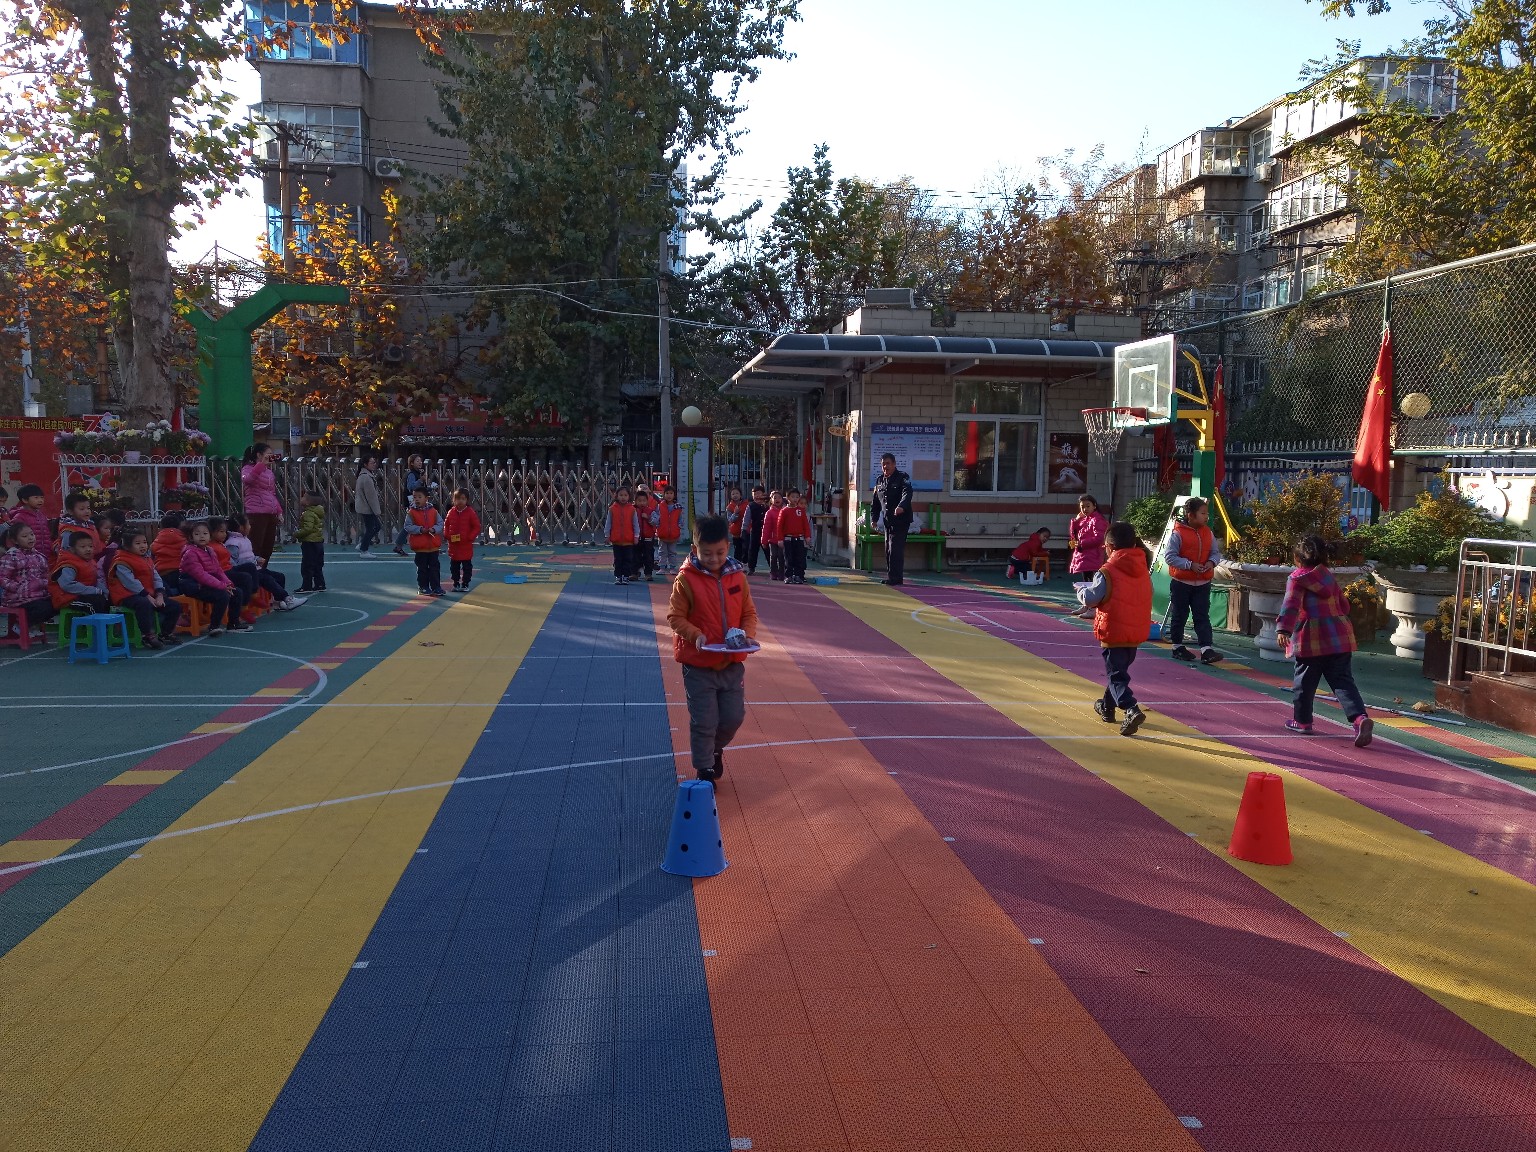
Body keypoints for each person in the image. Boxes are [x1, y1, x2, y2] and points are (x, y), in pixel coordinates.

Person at [667, 515, 759, 782]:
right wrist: (695, 635)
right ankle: (705, 768)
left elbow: (748, 613)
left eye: (720, 552)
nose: (714, 559)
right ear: (694, 549)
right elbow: (675, 617)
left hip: (731, 663)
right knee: (704, 721)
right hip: (698, 664)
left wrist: (747, 635)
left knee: (733, 718)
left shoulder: (737, 577)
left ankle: (715, 749)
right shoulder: (685, 580)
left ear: (728, 547)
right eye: (706, 553)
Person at [1275, 535, 1374, 747]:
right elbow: (1344, 606)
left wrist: (1283, 629)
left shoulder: (1296, 578)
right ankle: (1359, 718)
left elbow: (1291, 605)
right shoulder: (1327, 575)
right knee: (1342, 681)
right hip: (1339, 635)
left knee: (1304, 683)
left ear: (1297, 558)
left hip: (1311, 638)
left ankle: (1302, 721)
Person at [1074, 521, 1153, 737]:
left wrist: (1080, 591)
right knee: (1118, 672)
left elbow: (1092, 598)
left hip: (1114, 630)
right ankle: (1106, 707)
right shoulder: (1142, 569)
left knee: (1116, 676)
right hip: (1135, 631)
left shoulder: (1106, 571)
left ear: (1109, 547)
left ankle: (1131, 708)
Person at [1165, 496, 1225, 665]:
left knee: (1202, 616)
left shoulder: (1208, 533)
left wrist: (1211, 562)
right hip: (1181, 583)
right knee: (1180, 615)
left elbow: (1215, 553)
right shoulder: (1177, 534)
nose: (1207, 517)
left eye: (1207, 513)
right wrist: (1189, 565)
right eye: (1203, 513)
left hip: (1202, 584)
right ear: (1191, 515)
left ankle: (1206, 649)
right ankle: (1177, 647)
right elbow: (1169, 557)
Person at [108, 530, 184, 649]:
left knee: (175, 606)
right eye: (137, 543)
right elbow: (130, 583)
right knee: (144, 604)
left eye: (144, 542)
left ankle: (166, 633)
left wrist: (159, 594)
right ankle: (147, 636)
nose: (143, 546)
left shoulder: (146, 558)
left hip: (147, 593)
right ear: (127, 546)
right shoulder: (121, 561)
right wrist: (147, 596)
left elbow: (156, 577)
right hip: (127, 595)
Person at [179, 520, 246, 636]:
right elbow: (201, 575)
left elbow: (218, 570)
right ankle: (214, 626)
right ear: (191, 537)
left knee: (237, 592)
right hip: (193, 586)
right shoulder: (190, 553)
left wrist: (228, 583)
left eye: (205, 533)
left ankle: (233, 624)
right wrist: (222, 586)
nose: (201, 536)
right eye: (197, 534)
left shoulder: (210, 550)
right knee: (222, 595)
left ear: (210, 536)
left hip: (206, 584)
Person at [227, 512, 304, 610]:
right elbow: (233, 563)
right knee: (267, 579)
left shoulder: (245, 539)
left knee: (280, 576)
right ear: (241, 527)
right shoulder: (233, 543)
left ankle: (278, 602)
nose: (250, 527)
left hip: (256, 569)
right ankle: (288, 599)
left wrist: (256, 559)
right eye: (248, 524)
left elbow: (248, 556)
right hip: (248, 573)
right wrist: (254, 562)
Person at [1, 523, 54, 640]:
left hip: (39, 595)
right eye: (24, 536)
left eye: (31, 534)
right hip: (18, 598)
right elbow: (2, 578)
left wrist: (46, 585)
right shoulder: (11, 556)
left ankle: (30, 626)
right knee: (42, 608)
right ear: (15, 540)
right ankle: (20, 626)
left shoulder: (39, 556)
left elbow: (45, 575)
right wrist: (17, 587)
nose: (30, 538)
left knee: (57, 604)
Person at [870, 452, 913, 586]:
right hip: (888, 521)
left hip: (901, 520)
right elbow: (875, 502)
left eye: (888, 463)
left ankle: (896, 578)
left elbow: (907, 493)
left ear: (894, 464)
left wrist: (901, 506)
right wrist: (874, 518)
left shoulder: (902, 477)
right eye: (883, 464)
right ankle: (892, 576)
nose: (885, 466)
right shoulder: (879, 480)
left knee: (895, 549)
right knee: (888, 549)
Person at [240, 443, 283, 563]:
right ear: (259, 455)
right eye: (268, 454)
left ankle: (263, 570)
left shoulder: (269, 472)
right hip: (256, 512)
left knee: (267, 547)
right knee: (256, 544)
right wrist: (260, 465)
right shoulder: (247, 468)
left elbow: (272, 493)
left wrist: (279, 511)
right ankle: (254, 570)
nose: (271, 457)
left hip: (270, 513)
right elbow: (248, 480)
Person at [50, 533, 111, 616]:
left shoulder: (90, 562)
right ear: (72, 549)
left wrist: (103, 590)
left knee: (106, 600)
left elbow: (94, 580)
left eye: (90, 546)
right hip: (67, 597)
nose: (88, 549)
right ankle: (97, 624)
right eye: (83, 547)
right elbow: (67, 585)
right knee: (94, 603)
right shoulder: (68, 565)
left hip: (83, 594)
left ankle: (108, 623)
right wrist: (94, 590)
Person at [405, 487, 446, 597]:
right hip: (420, 547)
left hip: (433, 546)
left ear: (426, 498)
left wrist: (434, 529)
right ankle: (423, 587)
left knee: (434, 568)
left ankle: (436, 587)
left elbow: (440, 523)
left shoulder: (433, 511)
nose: (417, 499)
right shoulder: (411, 512)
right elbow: (407, 526)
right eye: (415, 497)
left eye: (420, 497)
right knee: (422, 568)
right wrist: (420, 529)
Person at [445, 488, 481, 592]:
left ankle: (465, 583)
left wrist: (470, 537)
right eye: (457, 499)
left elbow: (476, 526)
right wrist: (447, 535)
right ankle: (455, 583)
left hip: (465, 545)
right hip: (454, 545)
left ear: (467, 500)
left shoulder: (470, 512)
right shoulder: (451, 512)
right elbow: (446, 524)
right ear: (454, 500)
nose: (460, 501)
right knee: (454, 567)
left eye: (463, 499)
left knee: (467, 566)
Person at [1068, 495, 1108, 584]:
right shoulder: (1084, 520)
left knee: (1091, 582)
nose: (1085, 509)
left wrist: (1081, 543)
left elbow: (1100, 538)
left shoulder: (1097, 520)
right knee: (1088, 582)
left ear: (1094, 506)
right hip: (1084, 556)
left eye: (1088, 506)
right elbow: (1073, 535)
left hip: (1093, 556)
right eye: (1082, 507)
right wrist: (1076, 521)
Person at [393, 454, 428, 555]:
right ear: (411, 463)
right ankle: (399, 545)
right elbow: (411, 487)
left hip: (417, 502)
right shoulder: (412, 474)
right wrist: (421, 480)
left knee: (415, 523)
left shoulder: (418, 473)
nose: (420, 462)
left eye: (420, 460)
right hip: (412, 503)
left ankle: (400, 545)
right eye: (417, 461)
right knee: (411, 524)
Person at [604, 486, 639, 586]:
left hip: (628, 540)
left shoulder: (632, 509)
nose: (623, 497)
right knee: (618, 559)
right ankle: (618, 576)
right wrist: (607, 535)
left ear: (629, 496)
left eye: (625, 495)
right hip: (617, 540)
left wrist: (636, 536)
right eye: (621, 495)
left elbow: (635, 524)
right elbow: (608, 523)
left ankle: (626, 576)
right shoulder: (612, 509)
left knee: (628, 559)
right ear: (617, 496)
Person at [295, 490, 327, 594]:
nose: (301, 498)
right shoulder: (318, 512)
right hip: (318, 542)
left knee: (307, 565)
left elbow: (308, 528)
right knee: (317, 565)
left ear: (308, 502)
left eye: (303, 497)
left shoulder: (308, 513)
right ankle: (320, 584)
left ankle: (306, 586)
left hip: (309, 542)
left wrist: (297, 534)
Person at [152, 510, 188, 596]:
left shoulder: (157, 540)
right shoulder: (184, 539)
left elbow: (152, 552)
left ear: (161, 527)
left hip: (162, 573)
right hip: (180, 571)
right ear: (178, 526)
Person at [779, 488, 811, 584]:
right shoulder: (784, 511)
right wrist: (780, 539)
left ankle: (798, 576)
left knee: (799, 558)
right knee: (788, 558)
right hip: (788, 539)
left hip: (799, 538)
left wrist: (807, 536)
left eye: (797, 497)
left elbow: (805, 525)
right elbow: (779, 526)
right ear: (788, 498)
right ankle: (788, 576)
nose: (795, 499)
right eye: (793, 497)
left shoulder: (801, 511)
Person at [8, 485, 51, 557]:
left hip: (45, 555)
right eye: (36, 498)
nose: (40, 500)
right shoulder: (19, 517)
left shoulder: (41, 515)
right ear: (25, 500)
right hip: (27, 556)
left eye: (42, 497)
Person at [55, 492, 101, 557]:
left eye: (88, 508)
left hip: (92, 560)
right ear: (70, 511)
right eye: (82, 509)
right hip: (77, 561)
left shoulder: (90, 525)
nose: (87, 511)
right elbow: (66, 552)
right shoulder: (69, 530)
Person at [354, 456, 383, 557]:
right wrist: (377, 511)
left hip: (364, 507)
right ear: (365, 464)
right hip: (367, 508)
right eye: (372, 463)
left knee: (374, 527)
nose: (374, 464)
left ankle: (363, 544)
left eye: (374, 462)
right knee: (372, 528)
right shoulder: (366, 477)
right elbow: (371, 497)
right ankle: (364, 549)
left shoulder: (364, 475)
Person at [654, 485, 684, 573]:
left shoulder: (678, 507)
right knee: (662, 552)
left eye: (671, 493)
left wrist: (679, 526)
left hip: (673, 534)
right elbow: (656, 517)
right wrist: (657, 526)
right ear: (664, 494)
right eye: (667, 493)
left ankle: (672, 568)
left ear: (674, 495)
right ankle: (662, 567)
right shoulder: (660, 506)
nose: (669, 495)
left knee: (672, 552)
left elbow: (680, 519)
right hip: (662, 533)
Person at [633, 489, 658, 582]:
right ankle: (634, 573)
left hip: (648, 539)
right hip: (636, 538)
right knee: (635, 556)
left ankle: (648, 573)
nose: (642, 503)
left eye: (644, 501)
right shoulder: (633, 511)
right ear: (635, 501)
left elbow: (656, 521)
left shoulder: (651, 511)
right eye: (639, 501)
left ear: (647, 501)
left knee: (648, 557)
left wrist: (648, 518)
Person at [762, 490, 786, 582]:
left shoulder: (785, 511)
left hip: (783, 539)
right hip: (772, 539)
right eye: (774, 498)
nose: (777, 499)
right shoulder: (769, 512)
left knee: (781, 556)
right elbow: (766, 528)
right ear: (771, 500)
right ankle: (773, 573)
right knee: (773, 556)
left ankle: (782, 574)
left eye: (779, 497)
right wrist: (764, 541)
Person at [745, 485, 769, 575]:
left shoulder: (768, 505)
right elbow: (746, 519)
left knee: (768, 550)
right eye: (754, 494)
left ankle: (773, 567)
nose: (757, 496)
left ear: (764, 494)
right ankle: (751, 568)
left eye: (759, 493)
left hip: (766, 531)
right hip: (755, 531)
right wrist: (744, 529)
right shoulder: (751, 506)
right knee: (752, 550)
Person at [725, 486, 748, 564]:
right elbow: (730, 520)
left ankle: (745, 563)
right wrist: (735, 513)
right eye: (733, 494)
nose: (735, 495)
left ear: (740, 495)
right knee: (738, 549)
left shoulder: (747, 504)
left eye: (737, 493)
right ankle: (737, 564)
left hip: (746, 530)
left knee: (746, 548)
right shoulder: (729, 507)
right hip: (736, 532)